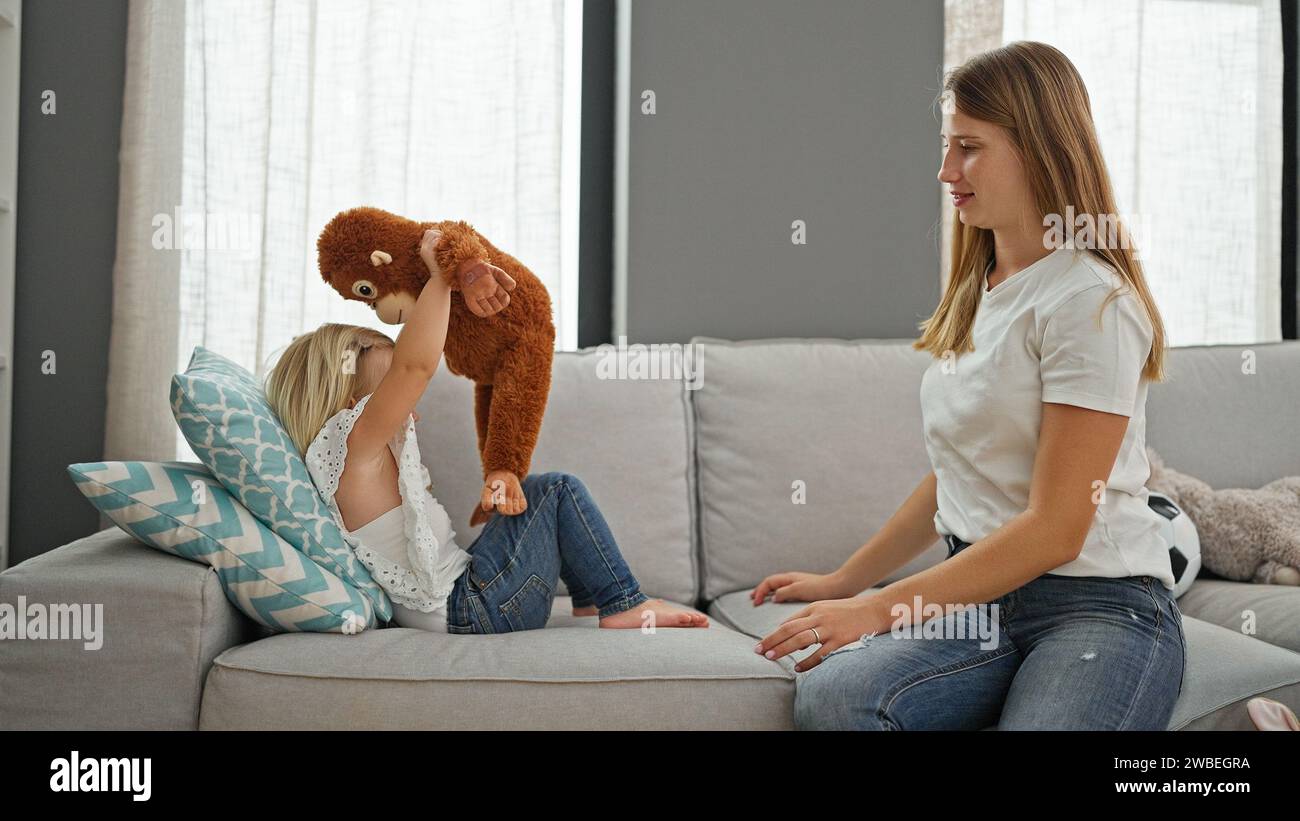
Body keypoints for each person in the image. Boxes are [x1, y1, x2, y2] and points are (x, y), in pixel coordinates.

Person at [752, 41, 1184, 730]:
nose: (946, 170)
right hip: (978, 602)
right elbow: (958, 475)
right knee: (838, 696)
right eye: (948, 146)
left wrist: (873, 609)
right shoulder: (982, 293)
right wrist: (846, 580)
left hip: (1099, 605)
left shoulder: (1089, 302)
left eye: (969, 147)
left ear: (1040, 149)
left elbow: (1056, 530)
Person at [265, 227, 708, 634]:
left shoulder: (346, 461)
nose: (411, 415)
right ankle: (622, 601)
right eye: (396, 399)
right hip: (475, 609)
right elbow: (415, 365)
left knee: (530, 496)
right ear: (348, 399)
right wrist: (438, 278)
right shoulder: (355, 446)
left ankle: (591, 597)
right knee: (557, 490)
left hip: (467, 596)